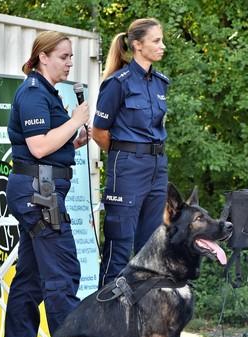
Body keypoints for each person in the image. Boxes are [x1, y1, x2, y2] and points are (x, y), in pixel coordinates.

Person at [3, 30, 91, 337]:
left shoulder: (47, 93)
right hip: (39, 193)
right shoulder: (34, 94)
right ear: (43, 57)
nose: (70, 63)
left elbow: (50, 147)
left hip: (41, 189)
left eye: (71, 57)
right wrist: (75, 121)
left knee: (31, 274)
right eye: (64, 57)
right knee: (62, 274)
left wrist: (75, 137)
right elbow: (38, 147)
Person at [93, 18, 169, 287]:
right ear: (137, 45)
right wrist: (125, 156)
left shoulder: (161, 83)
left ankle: (144, 318)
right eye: (156, 41)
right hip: (127, 167)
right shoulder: (118, 83)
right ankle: (105, 320)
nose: (162, 46)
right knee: (120, 246)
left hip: (157, 167)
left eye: (161, 40)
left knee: (154, 244)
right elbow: (99, 132)